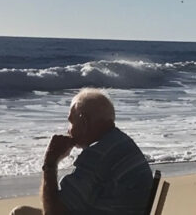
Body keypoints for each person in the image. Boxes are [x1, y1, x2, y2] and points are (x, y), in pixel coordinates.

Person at [11, 88, 153, 215]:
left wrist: (50, 163)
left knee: (19, 213)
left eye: (71, 122)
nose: (68, 130)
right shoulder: (121, 142)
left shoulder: (97, 155)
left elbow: (53, 213)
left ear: (83, 122)